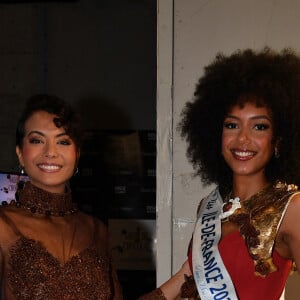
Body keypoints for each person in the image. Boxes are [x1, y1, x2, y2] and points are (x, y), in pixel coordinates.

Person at [139, 47, 300, 299]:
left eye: (259, 126)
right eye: (232, 125)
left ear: (278, 140)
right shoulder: (210, 206)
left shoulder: (292, 208)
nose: (242, 138)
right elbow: (184, 278)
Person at [0, 94, 122, 299]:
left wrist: (184, 274)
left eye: (63, 141)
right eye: (37, 140)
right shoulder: (3, 225)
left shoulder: (97, 231)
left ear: (77, 154)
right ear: (20, 153)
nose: (50, 152)